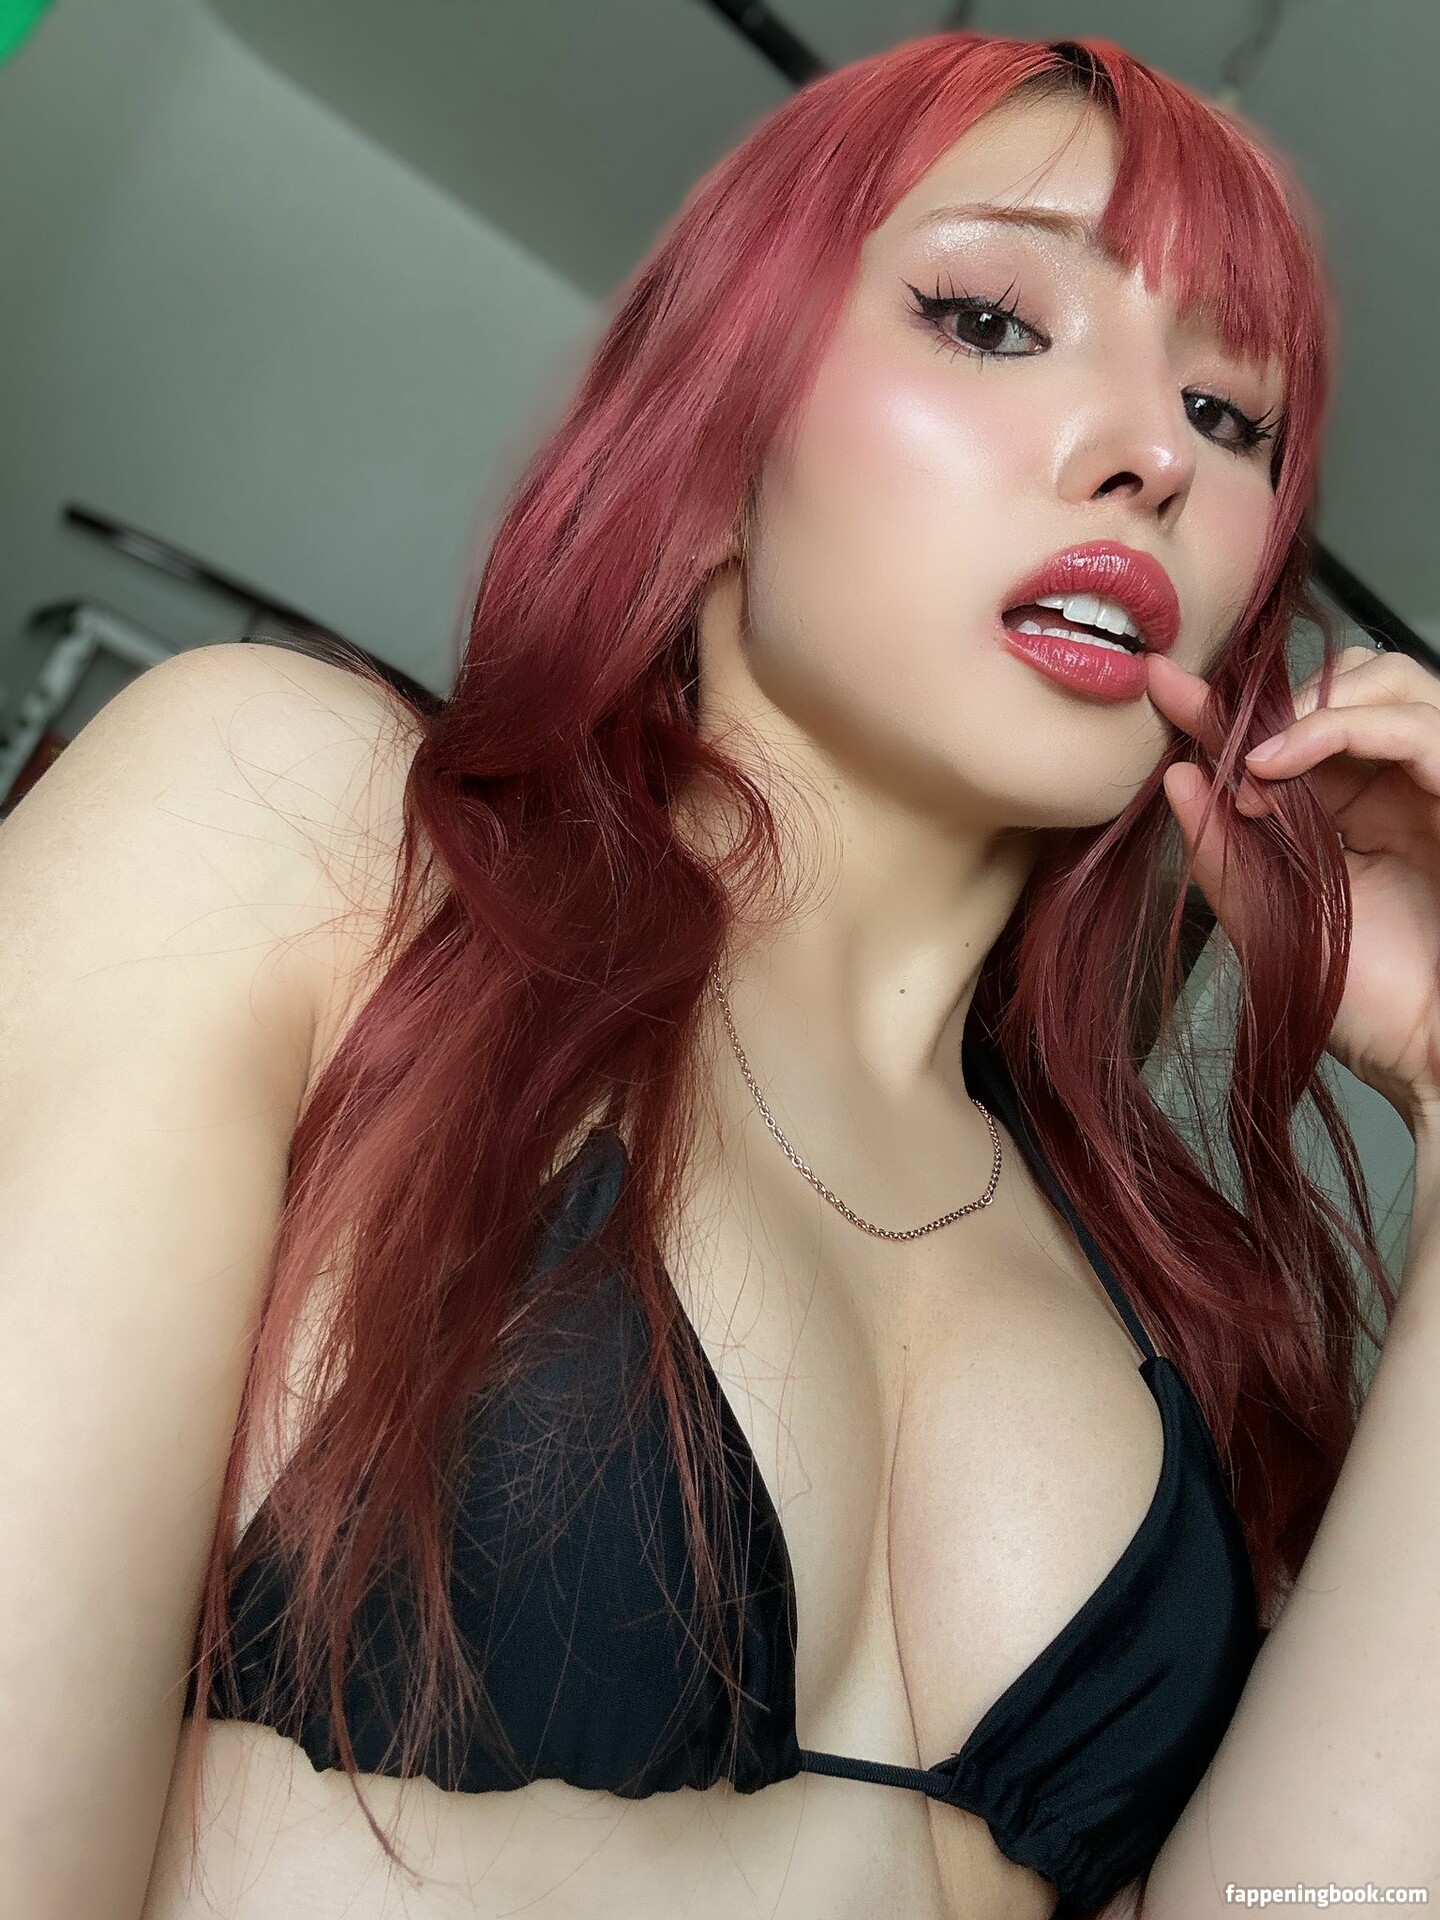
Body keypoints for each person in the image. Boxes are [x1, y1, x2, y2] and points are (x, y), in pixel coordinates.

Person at [4, 28, 1435, 1920]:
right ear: (715, 428)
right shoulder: (303, 836)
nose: (1155, 455)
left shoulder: (1181, 1310)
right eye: (994, 321)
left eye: (1230, 418)